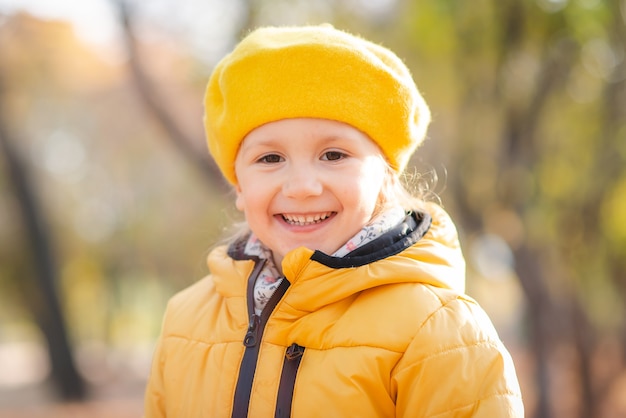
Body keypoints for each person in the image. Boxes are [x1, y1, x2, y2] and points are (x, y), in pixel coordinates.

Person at [143, 24, 524, 417]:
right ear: (238, 183)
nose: (302, 187)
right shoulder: (185, 320)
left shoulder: (441, 334)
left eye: (334, 155)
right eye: (270, 158)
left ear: (385, 176)